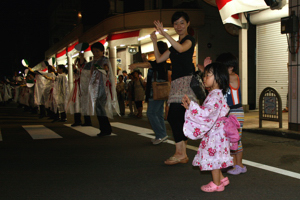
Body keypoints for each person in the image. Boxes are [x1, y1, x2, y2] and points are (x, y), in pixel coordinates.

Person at [151, 11, 197, 164]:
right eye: (176, 23)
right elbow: (158, 59)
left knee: (173, 116)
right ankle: (182, 153)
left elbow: (182, 49)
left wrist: (164, 33)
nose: (178, 26)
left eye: (182, 22)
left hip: (186, 83)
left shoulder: (190, 40)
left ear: (188, 24)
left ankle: (180, 152)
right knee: (179, 118)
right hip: (176, 84)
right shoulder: (173, 46)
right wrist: (154, 40)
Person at [182, 62, 233, 192]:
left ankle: (216, 184)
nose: (204, 78)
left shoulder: (214, 95)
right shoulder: (217, 93)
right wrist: (191, 107)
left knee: (214, 158)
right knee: (218, 156)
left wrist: (192, 106)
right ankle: (222, 178)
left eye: (208, 75)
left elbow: (207, 113)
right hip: (219, 132)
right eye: (204, 75)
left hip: (216, 134)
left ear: (218, 78)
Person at [129, 41, 169, 145]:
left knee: (151, 113)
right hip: (160, 90)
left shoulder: (159, 62)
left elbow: (149, 65)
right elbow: (150, 65)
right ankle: (161, 134)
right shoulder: (162, 63)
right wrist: (144, 60)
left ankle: (160, 134)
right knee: (159, 114)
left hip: (155, 91)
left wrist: (135, 65)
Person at [216, 52, 247, 175]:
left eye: (222, 67)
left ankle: (239, 165)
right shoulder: (225, 77)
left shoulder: (233, 77)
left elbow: (220, 79)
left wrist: (212, 69)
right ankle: (234, 164)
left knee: (236, 139)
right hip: (228, 112)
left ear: (231, 67)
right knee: (230, 139)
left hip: (235, 111)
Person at [82, 42, 119, 136]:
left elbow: (106, 71)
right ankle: (105, 129)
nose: (95, 53)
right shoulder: (94, 62)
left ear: (102, 51)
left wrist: (99, 68)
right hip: (96, 88)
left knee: (101, 108)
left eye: (97, 51)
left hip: (103, 88)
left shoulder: (104, 60)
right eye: (94, 51)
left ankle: (105, 130)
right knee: (99, 109)